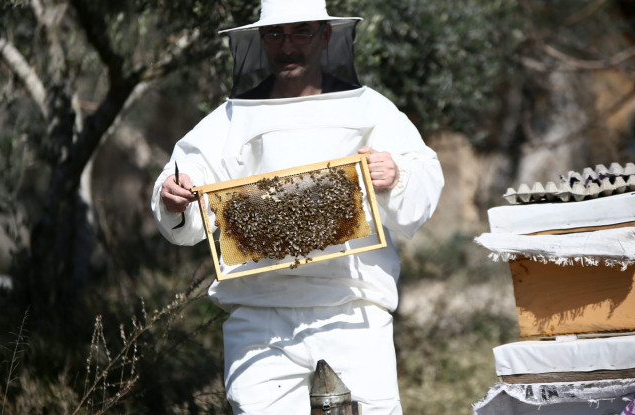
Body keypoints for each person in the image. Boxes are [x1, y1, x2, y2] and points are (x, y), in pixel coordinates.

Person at [151, 0, 444, 413]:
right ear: (260, 38)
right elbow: (186, 182)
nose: (287, 46)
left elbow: (424, 175)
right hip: (260, 316)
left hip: (352, 310)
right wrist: (174, 197)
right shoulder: (229, 120)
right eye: (275, 34)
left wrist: (396, 175)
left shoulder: (370, 110)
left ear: (326, 35)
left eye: (301, 32)